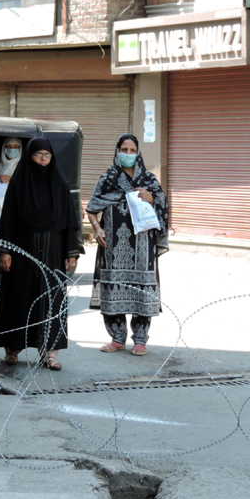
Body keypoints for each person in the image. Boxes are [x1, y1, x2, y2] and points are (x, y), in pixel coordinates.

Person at [0, 138, 81, 371]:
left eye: (47, 155)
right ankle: (12, 348)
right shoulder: (19, 184)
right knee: (18, 297)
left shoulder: (59, 184)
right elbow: (7, 221)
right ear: (29, 156)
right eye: (38, 154)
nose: (43, 159)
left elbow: (70, 222)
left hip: (53, 251)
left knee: (51, 301)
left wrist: (71, 251)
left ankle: (50, 352)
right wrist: (5, 250)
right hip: (22, 251)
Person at [86, 133, 169, 356]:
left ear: (138, 152)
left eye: (132, 151)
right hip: (112, 245)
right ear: (117, 151)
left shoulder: (149, 180)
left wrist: (151, 198)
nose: (128, 154)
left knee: (142, 289)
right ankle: (117, 337)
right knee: (113, 287)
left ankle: (140, 339)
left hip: (142, 246)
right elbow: (92, 208)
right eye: (124, 150)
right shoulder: (108, 179)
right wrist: (97, 228)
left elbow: (163, 204)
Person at [0, 137, 23, 235]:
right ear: (4, 149)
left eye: (16, 147)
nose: (12, 149)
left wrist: (9, 178)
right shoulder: (0, 165)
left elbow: (26, 182)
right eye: (10, 146)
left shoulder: (22, 164)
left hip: (16, 198)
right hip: (0, 195)